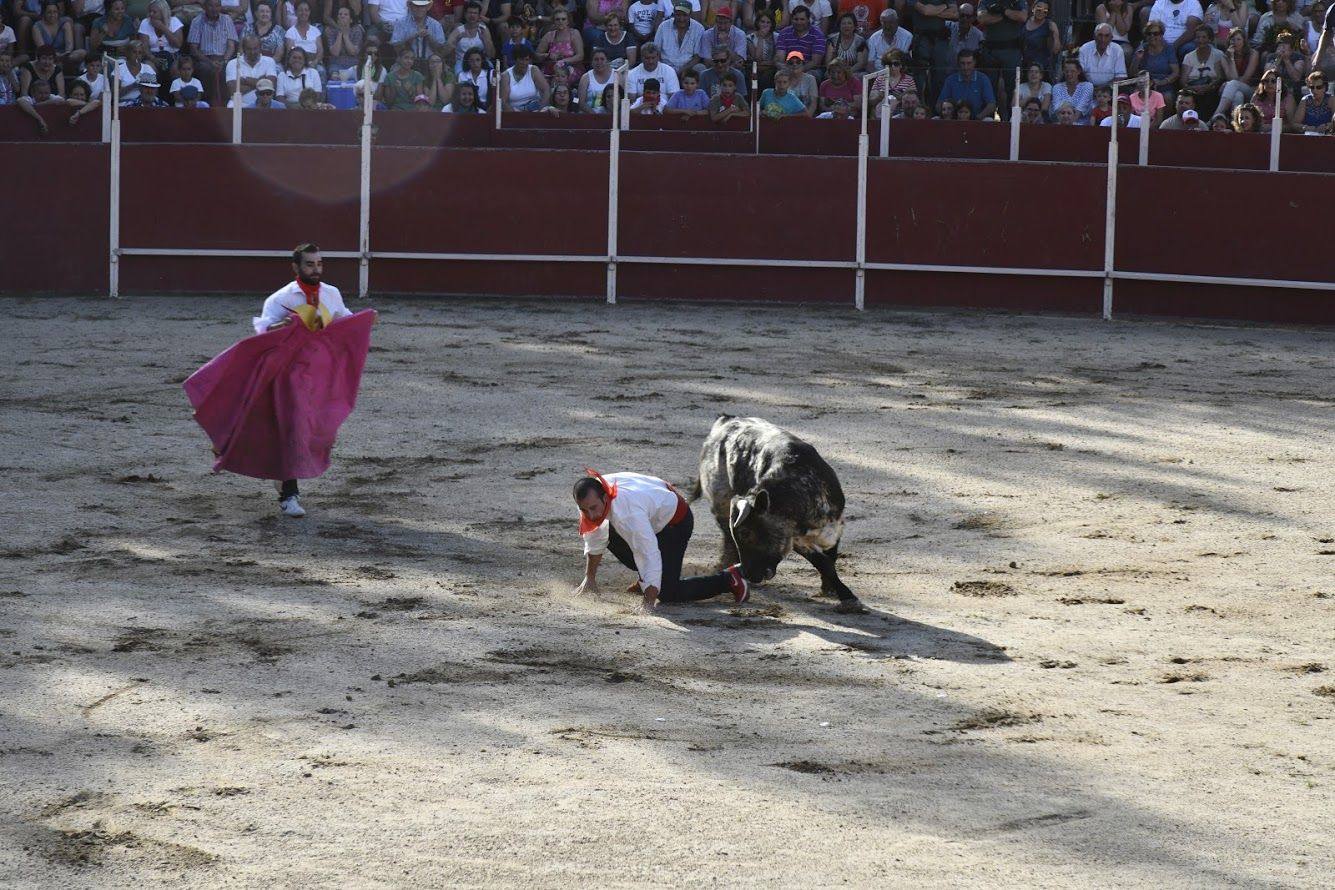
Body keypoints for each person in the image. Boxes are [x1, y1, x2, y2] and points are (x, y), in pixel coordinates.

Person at [185, 244, 371, 520]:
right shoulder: (280, 298)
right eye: (310, 264)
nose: (316, 269)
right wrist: (281, 327)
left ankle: (278, 475)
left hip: (318, 375)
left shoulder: (331, 294)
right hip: (286, 373)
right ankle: (289, 494)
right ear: (295, 267)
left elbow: (345, 322)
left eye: (319, 264)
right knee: (292, 428)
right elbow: (262, 332)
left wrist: (365, 321)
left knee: (314, 428)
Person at [572, 470, 749, 612]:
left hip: (675, 523)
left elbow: (647, 551)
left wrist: (648, 601)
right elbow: (595, 535)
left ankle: (729, 579)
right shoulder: (591, 500)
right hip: (655, 504)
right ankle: (645, 579)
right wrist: (590, 578)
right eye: (584, 510)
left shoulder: (628, 513)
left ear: (604, 498)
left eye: (593, 508)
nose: (591, 515)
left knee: (667, 592)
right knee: (606, 530)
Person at [1131, 17, 1178, 106]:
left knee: (1167, 97)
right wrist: (1137, 59)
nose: (1152, 36)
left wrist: (1162, 82)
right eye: (1149, 34)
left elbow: (1175, 73)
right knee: (1135, 95)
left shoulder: (1169, 48)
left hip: (1164, 85)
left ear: (1161, 35)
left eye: (1156, 33)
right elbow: (1132, 73)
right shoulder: (1142, 48)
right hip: (1144, 85)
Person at [936, 46, 994, 117]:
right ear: (958, 64)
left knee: (989, 120)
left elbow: (991, 105)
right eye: (962, 63)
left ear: (974, 63)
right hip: (954, 119)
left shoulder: (983, 79)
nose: (966, 67)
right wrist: (947, 115)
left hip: (978, 119)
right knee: (935, 119)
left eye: (969, 63)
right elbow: (939, 104)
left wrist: (978, 118)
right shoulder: (950, 80)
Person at [225, 33, 278, 105]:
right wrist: (261, 82)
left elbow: (270, 86)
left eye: (255, 48)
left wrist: (246, 80)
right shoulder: (233, 63)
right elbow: (233, 90)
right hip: (239, 104)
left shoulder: (269, 61)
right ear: (243, 49)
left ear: (260, 47)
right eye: (249, 49)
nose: (252, 52)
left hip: (264, 104)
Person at [776, 3, 826, 78]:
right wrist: (785, 68)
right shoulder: (784, 33)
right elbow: (779, 58)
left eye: (802, 19)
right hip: (788, 68)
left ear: (808, 20)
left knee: (810, 76)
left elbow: (815, 62)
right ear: (791, 19)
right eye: (796, 19)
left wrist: (797, 71)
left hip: (810, 69)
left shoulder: (818, 34)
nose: (799, 22)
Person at [537, 2, 582, 85]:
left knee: (561, 77)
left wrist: (563, 62)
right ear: (553, 21)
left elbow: (580, 56)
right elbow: (536, 55)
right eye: (557, 19)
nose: (560, 21)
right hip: (550, 70)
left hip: (570, 69)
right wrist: (547, 55)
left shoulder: (574, 33)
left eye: (563, 19)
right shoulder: (549, 35)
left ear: (568, 21)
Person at [654, 0, 703, 75]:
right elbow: (656, 52)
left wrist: (681, 71)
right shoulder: (663, 26)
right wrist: (666, 70)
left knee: (700, 67)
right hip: (665, 68)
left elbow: (697, 57)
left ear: (690, 15)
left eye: (684, 15)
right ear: (674, 14)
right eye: (678, 15)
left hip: (688, 69)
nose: (681, 19)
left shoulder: (699, 29)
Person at [395, 0, 445, 66]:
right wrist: (414, 36)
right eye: (416, 6)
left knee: (436, 61)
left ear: (427, 7)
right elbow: (396, 47)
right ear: (411, 6)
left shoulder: (436, 25)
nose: (419, 9)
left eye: (422, 6)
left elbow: (440, 49)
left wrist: (428, 36)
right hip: (407, 61)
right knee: (396, 67)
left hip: (429, 62)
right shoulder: (400, 23)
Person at [500, 42, 547, 108]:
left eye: (526, 60)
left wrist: (541, 108)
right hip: (515, 111)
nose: (524, 63)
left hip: (534, 108)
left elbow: (546, 90)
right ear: (515, 59)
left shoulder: (534, 70)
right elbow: (504, 102)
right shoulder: (505, 76)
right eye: (521, 59)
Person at [1079, 22, 1127, 86]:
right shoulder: (1084, 49)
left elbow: (1121, 76)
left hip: (1109, 90)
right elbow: (1079, 73)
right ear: (1094, 36)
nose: (1103, 39)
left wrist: (1104, 89)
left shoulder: (1117, 50)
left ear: (1111, 38)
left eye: (1106, 36)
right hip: (1087, 88)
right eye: (1100, 35)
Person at [1020, 0, 1058, 79]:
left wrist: (1054, 34)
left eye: (1045, 11)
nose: (1041, 12)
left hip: (1041, 67)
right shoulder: (1024, 22)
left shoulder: (1049, 24)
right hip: (1024, 65)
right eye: (1039, 9)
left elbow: (1056, 50)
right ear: (1033, 8)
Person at [1050, 55, 1093, 122]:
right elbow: (1057, 111)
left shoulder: (1087, 86)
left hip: (1082, 127)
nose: (1069, 74)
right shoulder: (1057, 87)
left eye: (1072, 71)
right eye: (1066, 71)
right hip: (1061, 125)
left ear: (1078, 71)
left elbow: (1080, 110)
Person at [826, 10, 866, 74]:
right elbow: (828, 62)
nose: (846, 26)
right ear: (839, 26)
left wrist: (846, 73)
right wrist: (838, 73)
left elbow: (861, 63)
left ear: (854, 26)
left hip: (854, 72)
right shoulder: (832, 39)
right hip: (836, 72)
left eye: (849, 23)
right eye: (843, 23)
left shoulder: (860, 41)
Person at [748, 10, 776, 88]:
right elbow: (757, 59)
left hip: (771, 69)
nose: (765, 25)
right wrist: (761, 38)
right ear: (757, 23)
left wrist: (769, 63)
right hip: (755, 68)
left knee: (768, 76)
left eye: (768, 22)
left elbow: (776, 60)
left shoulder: (777, 37)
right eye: (762, 22)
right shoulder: (750, 38)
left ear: (772, 24)